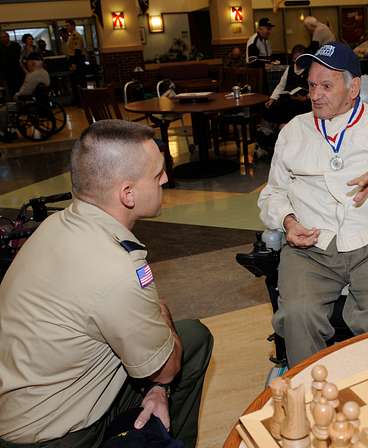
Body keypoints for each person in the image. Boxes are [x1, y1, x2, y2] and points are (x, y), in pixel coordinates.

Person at [0, 120, 213, 447]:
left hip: (24, 402)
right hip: (54, 435)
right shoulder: (116, 267)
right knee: (179, 350)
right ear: (127, 193)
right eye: (157, 175)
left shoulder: (57, 223)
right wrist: (161, 360)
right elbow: (167, 369)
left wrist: (156, 387)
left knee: (192, 338)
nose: (166, 179)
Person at [258, 42, 368, 366]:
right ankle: (312, 402)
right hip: (311, 246)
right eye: (312, 85)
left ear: (353, 87)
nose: (315, 95)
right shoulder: (294, 133)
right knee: (298, 316)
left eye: (326, 86)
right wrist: (288, 221)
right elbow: (273, 193)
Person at [264, 44, 311, 124]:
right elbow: (281, 85)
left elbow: (315, 88)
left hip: (303, 101)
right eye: (295, 59)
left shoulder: (310, 69)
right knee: (269, 108)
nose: (297, 62)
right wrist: (272, 99)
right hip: (289, 99)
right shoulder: (290, 68)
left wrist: (305, 97)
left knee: (294, 109)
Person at [0, 31, 23, 97]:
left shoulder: (16, 45)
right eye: (1, 38)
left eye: (4, 37)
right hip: (5, 72)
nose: (3, 39)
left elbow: (20, 56)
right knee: (9, 90)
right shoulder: (0, 47)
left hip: (16, 70)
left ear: (8, 37)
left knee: (18, 88)